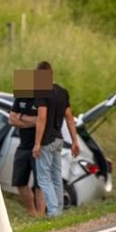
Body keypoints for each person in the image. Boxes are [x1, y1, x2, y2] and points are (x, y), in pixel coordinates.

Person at [31, 62, 81, 218]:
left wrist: (37, 143)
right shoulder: (62, 92)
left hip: (46, 141)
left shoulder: (41, 92)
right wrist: (75, 141)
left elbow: (42, 118)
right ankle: (58, 210)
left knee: (43, 178)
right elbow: (70, 118)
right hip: (59, 139)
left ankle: (53, 212)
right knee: (56, 177)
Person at [7, 69, 42, 216]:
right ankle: (32, 212)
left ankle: (41, 214)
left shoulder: (40, 99)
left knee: (40, 183)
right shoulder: (20, 98)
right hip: (23, 146)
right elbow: (11, 119)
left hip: (38, 146)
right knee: (19, 181)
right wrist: (30, 121)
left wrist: (21, 118)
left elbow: (40, 120)